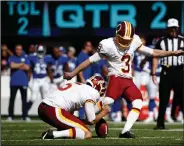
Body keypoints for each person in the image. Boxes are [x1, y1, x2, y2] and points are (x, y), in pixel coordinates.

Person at [64, 21, 184, 138]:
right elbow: (89, 61)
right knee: (107, 103)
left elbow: (152, 52)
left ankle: (125, 130)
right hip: (115, 78)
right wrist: (72, 73)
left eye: (128, 40)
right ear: (117, 35)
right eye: (123, 39)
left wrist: (172, 53)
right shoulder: (107, 45)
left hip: (128, 80)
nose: (126, 42)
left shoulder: (134, 41)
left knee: (138, 102)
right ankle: (77, 118)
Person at [38, 75, 110, 139]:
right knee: (87, 133)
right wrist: (104, 112)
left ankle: (60, 132)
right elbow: (91, 120)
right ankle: (53, 134)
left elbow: (69, 115)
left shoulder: (78, 85)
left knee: (75, 127)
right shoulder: (92, 92)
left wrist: (82, 122)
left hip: (43, 108)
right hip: (54, 109)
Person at [152, 18, 184, 129]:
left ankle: (177, 116)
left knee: (182, 98)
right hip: (166, 71)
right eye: (171, 28)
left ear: (178, 28)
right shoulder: (161, 41)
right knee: (163, 99)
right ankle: (160, 124)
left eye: (175, 28)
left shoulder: (183, 40)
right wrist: (153, 73)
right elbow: (155, 56)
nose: (173, 30)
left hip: (180, 71)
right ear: (167, 29)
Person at [8, 44, 30, 121]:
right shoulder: (12, 57)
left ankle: (25, 116)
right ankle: (10, 116)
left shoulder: (25, 57)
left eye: (20, 49)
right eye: (17, 49)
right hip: (14, 82)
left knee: (24, 100)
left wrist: (16, 65)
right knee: (12, 99)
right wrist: (21, 64)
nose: (18, 51)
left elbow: (27, 67)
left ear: (22, 50)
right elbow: (12, 66)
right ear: (15, 50)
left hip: (24, 82)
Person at [27, 45, 52, 111]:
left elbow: (49, 69)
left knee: (46, 98)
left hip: (44, 79)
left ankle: (47, 114)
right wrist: (28, 79)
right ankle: (25, 113)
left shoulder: (47, 58)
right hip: (36, 80)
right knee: (33, 98)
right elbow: (30, 69)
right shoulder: (32, 57)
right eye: (39, 51)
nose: (40, 53)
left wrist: (51, 79)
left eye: (41, 51)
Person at [77, 41, 93, 119]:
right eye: (89, 46)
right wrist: (82, 79)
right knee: (83, 99)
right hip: (83, 80)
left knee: (86, 98)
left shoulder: (87, 55)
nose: (90, 47)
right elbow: (80, 68)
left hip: (87, 79)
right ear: (85, 46)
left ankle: (84, 115)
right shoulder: (82, 55)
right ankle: (81, 115)